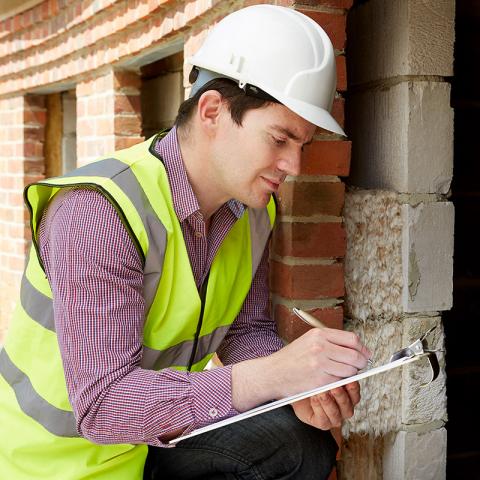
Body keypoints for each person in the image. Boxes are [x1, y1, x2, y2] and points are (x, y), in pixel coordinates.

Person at [0, 5, 371, 479]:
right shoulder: (97, 214)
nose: (293, 166)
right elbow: (103, 407)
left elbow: (243, 332)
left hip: (149, 446)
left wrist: (298, 387)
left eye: (304, 144)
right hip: (53, 465)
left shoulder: (254, 212)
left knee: (299, 444)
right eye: (279, 139)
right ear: (213, 110)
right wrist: (274, 375)